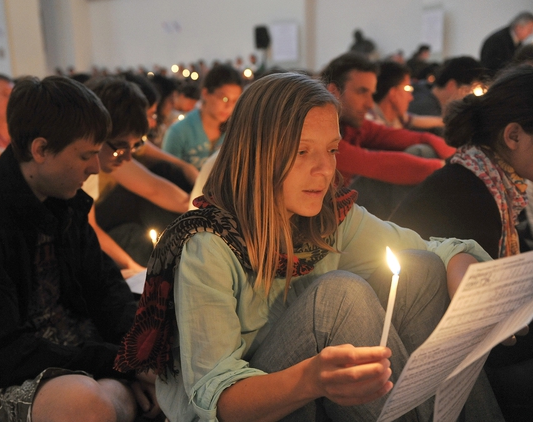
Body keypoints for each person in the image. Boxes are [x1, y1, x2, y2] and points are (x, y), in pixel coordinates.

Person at [113, 72, 502, 421]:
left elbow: (435, 249)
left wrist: (468, 278)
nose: (324, 169)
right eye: (302, 151)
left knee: (422, 269)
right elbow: (219, 400)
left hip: (307, 392)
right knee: (337, 297)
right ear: (258, 153)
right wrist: (311, 379)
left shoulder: (329, 218)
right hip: (242, 407)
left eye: (332, 150)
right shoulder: (208, 244)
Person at [0, 76, 159, 421]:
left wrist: (139, 354)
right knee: (88, 405)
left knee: (159, 373)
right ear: (40, 150)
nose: (96, 167)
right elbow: (0, 352)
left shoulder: (64, 200)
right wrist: (121, 364)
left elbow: (105, 289)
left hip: (69, 354)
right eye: (85, 155)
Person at [390, 64, 533, 421]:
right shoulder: (470, 192)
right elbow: (485, 334)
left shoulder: (491, 179)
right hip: (421, 358)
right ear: (513, 136)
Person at [319, 52, 455, 219]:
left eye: (371, 94)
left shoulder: (351, 125)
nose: (370, 103)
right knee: (403, 168)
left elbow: (396, 136)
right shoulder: (318, 130)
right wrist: (448, 169)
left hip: (341, 209)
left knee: (421, 151)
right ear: (333, 92)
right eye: (362, 92)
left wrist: (446, 153)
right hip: (324, 218)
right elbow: (374, 164)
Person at [84, 76, 193, 275]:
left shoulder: (108, 151)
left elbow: (154, 188)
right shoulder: (79, 168)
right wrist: (134, 268)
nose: (126, 157)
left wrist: (200, 207)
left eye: (135, 146)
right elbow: (88, 229)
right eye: (120, 148)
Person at [162, 63, 243, 170]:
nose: (229, 106)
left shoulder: (236, 132)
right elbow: (167, 174)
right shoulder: (179, 132)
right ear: (205, 93)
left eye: (234, 101)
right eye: (224, 98)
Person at [409, 56, 485, 126]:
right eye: (470, 91)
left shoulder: (422, 91)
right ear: (451, 85)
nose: (472, 97)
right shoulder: (426, 111)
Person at [368, 60, 443, 131]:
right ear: (393, 93)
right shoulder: (371, 122)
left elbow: (428, 121)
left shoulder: (399, 118)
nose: (411, 98)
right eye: (407, 89)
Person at [480, 12, 533, 77]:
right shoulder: (498, 41)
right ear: (518, 27)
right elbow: (494, 67)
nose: (530, 33)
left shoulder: (518, 42)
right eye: (529, 29)